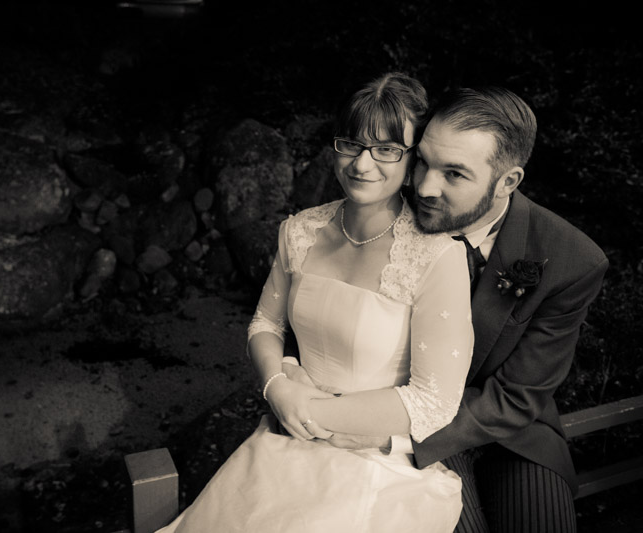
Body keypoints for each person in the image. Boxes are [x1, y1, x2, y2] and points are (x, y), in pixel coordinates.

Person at [157, 72, 474, 533]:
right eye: (351, 144)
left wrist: (310, 412)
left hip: (375, 458)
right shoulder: (299, 231)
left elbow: (433, 402)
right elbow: (265, 323)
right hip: (286, 435)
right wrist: (277, 389)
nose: (362, 165)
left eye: (386, 149)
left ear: (414, 159)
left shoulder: (436, 256)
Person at [285, 87, 609, 532]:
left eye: (454, 174)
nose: (424, 187)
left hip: (509, 433)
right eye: (422, 161)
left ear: (508, 182)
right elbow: (315, 297)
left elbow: (518, 396)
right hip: (385, 407)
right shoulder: (377, 205)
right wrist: (292, 370)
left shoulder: (572, 260)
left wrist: (394, 434)